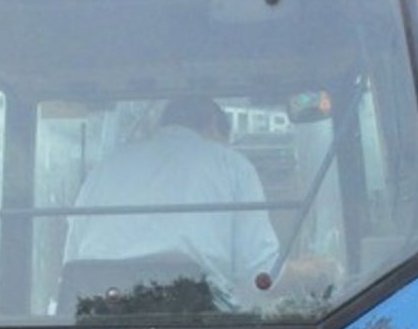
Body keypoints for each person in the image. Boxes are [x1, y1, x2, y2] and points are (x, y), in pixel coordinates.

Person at [63, 95, 279, 306]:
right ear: (214, 124)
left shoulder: (104, 169)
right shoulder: (232, 166)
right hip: (195, 319)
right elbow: (259, 274)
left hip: (97, 314)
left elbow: (71, 263)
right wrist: (308, 270)